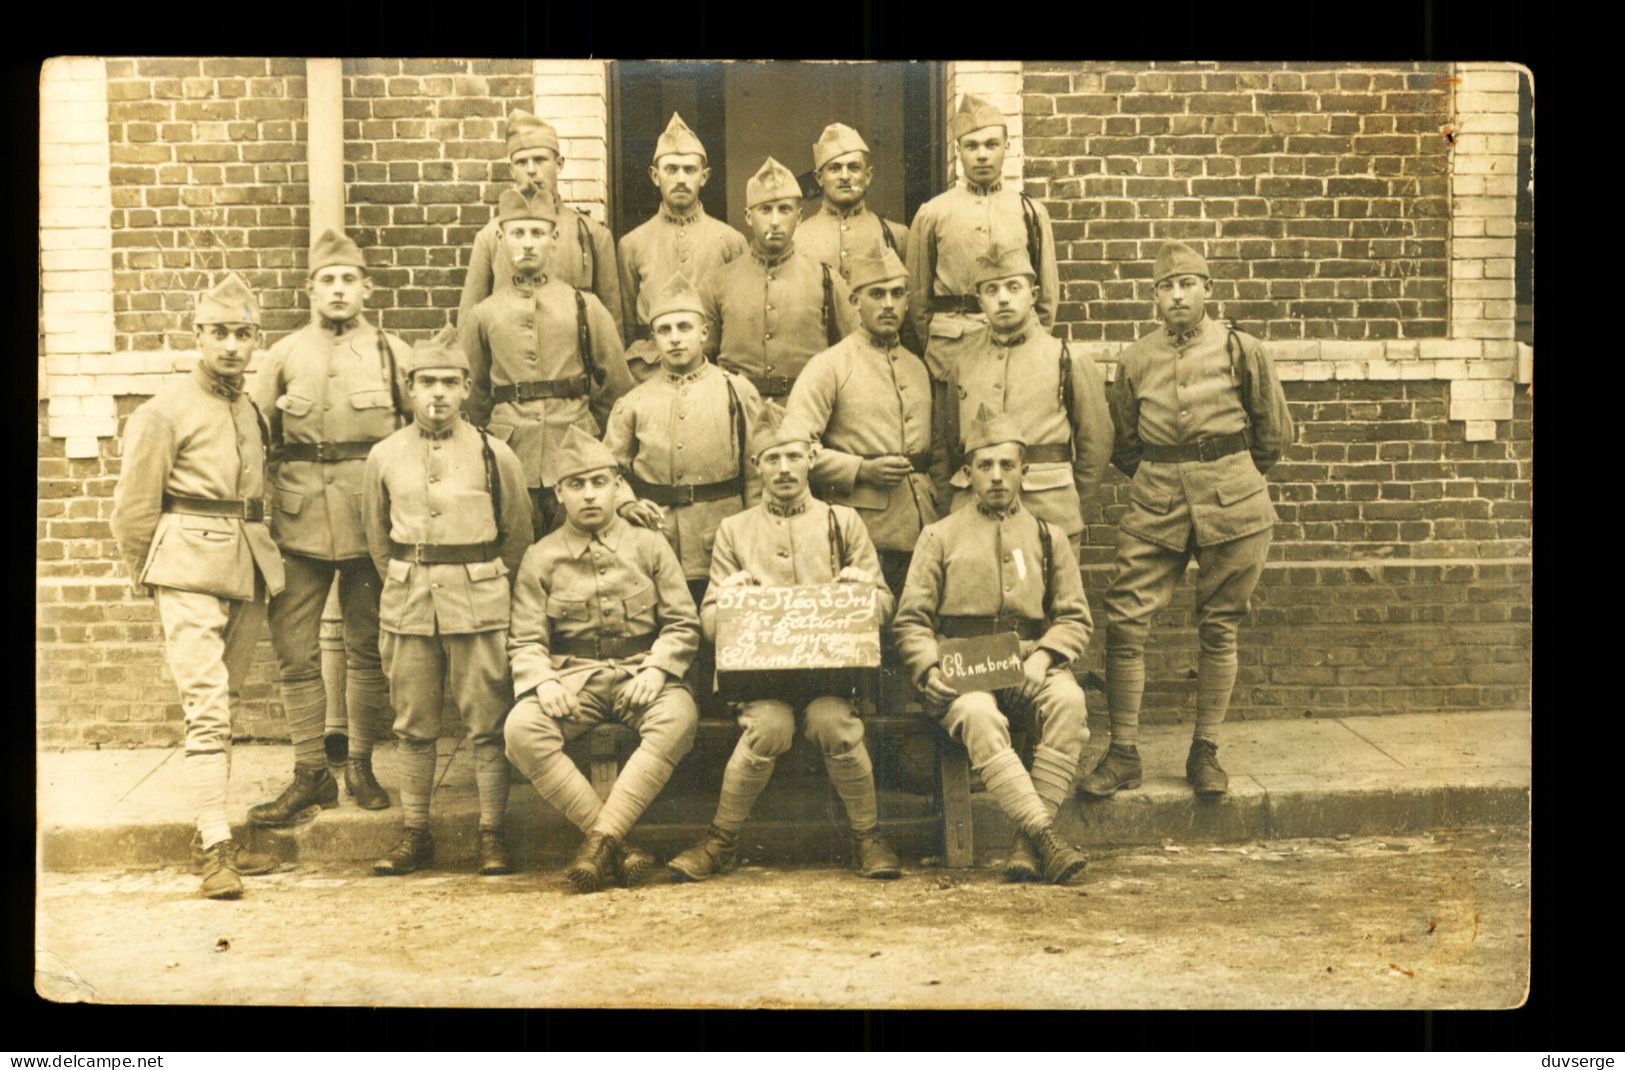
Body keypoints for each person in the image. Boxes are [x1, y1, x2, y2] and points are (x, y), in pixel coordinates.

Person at [1081, 241, 1294, 800]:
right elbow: (1125, 442)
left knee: (1219, 623)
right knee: (1125, 618)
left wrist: (1226, 471)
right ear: (1153, 296)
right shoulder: (1135, 358)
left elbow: (1273, 436)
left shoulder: (1242, 349)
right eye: (1164, 286)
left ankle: (1205, 749)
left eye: (1187, 283)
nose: (1176, 294)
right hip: (1157, 500)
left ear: (1208, 290)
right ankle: (1123, 751)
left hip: (1234, 499)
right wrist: (1167, 475)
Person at [668, 404, 901, 883]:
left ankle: (868, 836)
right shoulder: (735, 530)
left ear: (812, 457)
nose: (783, 469)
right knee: (769, 728)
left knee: (833, 722)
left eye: (793, 457)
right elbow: (708, 619)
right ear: (757, 468)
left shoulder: (845, 522)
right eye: (771, 460)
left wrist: (862, 594)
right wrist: (728, 604)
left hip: (831, 675)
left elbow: (884, 606)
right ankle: (722, 840)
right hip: (763, 678)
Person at [110, 272, 286, 899]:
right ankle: (215, 847)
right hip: (186, 566)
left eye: (243, 334)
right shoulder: (164, 410)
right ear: (198, 336)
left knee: (225, 704)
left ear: (255, 340)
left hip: (245, 568)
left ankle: (211, 833)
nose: (232, 346)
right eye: (219, 333)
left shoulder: (250, 407)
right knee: (208, 710)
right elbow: (133, 508)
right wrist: (150, 573)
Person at [247, 229, 408, 827]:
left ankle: (362, 763)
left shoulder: (393, 352)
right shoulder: (284, 355)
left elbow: (419, 439)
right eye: (327, 281)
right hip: (297, 526)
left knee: (369, 649)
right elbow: (253, 440)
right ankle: (311, 771)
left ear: (366, 287)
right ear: (310, 290)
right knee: (295, 652)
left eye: (348, 280)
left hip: (370, 524)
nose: (338, 290)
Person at [892, 404, 1092, 885]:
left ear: (1025, 470)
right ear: (967, 474)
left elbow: (1074, 617)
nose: (997, 477)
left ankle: (1028, 842)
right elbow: (911, 622)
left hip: (1028, 664)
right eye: (985, 466)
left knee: (1070, 701)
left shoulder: (1049, 536)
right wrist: (929, 672)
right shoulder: (938, 536)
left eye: (1007, 465)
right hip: (963, 669)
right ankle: (1044, 835)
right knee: (979, 714)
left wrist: (1043, 658)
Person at [362, 327, 533, 876]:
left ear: (466, 389)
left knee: (487, 721)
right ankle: (415, 833)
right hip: (410, 604)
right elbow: (376, 537)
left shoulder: (494, 453)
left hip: (478, 602)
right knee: (412, 724)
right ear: (409, 389)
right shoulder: (384, 456)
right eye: (426, 382)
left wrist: (483, 583)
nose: (437, 394)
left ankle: (492, 833)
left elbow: (517, 536)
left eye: (449, 383)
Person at [503, 425, 703, 893]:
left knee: (678, 718)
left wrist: (657, 669)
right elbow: (526, 639)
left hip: (642, 673)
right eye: (576, 485)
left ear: (617, 486)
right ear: (559, 494)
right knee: (521, 730)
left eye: (599, 482)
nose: (589, 495)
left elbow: (682, 623)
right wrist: (544, 683)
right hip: (574, 680)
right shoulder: (541, 556)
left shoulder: (650, 545)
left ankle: (598, 844)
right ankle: (618, 844)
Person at [461, 187, 633, 535]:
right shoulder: (484, 315)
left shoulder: (584, 306)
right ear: (501, 238)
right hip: (509, 459)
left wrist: (592, 443)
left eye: (537, 233)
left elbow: (616, 391)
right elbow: (473, 396)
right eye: (517, 233)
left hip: (574, 456)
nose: (527, 243)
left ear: (554, 239)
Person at [905, 94, 1061, 452]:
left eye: (991, 144)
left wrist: (1030, 344)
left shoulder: (1031, 212)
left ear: (1007, 146)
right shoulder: (933, 213)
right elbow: (917, 299)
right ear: (957, 151)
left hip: (1017, 349)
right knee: (956, 445)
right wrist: (938, 342)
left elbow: (1047, 296)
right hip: (952, 351)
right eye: (971, 145)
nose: (982, 154)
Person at [936, 245, 1111, 556]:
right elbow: (949, 445)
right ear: (981, 301)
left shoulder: (1066, 358)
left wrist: (1071, 503)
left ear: (1033, 294)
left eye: (1013, 287)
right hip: (973, 517)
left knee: (1054, 602)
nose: (1003, 298)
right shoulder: (963, 364)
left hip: (1049, 512)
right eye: (992, 290)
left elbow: (1095, 444)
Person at [602, 271, 763, 606]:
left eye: (684, 327)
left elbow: (758, 472)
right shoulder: (634, 402)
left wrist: (753, 539)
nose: (674, 338)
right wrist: (627, 503)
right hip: (657, 543)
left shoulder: (736, 390)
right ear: (654, 339)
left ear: (704, 332)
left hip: (722, 542)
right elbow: (609, 471)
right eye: (664, 330)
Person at [786, 244, 935, 597]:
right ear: (854, 302)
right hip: (863, 533)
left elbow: (938, 453)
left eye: (897, 294)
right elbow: (795, 448)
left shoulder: (917, 366)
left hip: (924, 527)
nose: (888, 304)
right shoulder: (830, 365)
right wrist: (860, 470)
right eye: (877, 294)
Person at [699, 156, 859, 401]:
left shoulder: (826, 280)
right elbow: (701, 363)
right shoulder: (718, 283)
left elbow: (852, 355)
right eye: (765, 210)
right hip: (738, 414)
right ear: (748, 216)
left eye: (784, 210)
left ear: (800, 216)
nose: (775, 221)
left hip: (805, 414)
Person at [457, 109, 625, 340]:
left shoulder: (592, 234)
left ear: (559, 164)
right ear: (511, 170)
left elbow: (612, 326)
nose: (531, 170)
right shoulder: (490, 237)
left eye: (540, 160)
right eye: (521, 162)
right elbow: (469, 323)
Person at [618, 113, 748, 383]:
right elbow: (627, 325)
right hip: (649, 373)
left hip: (711, 372)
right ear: (655, 176)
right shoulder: (632, 244)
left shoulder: (730, 241)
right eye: (671, 169)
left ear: (704, 176)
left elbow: (738, 319)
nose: (680, 179)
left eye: (689, 170)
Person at [796, 123, 909, 283]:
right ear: (819, 178)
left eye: (853, 168)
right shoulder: (798, 238)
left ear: (868, 176)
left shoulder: (897, 236)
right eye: (834, 168)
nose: (845, 176)